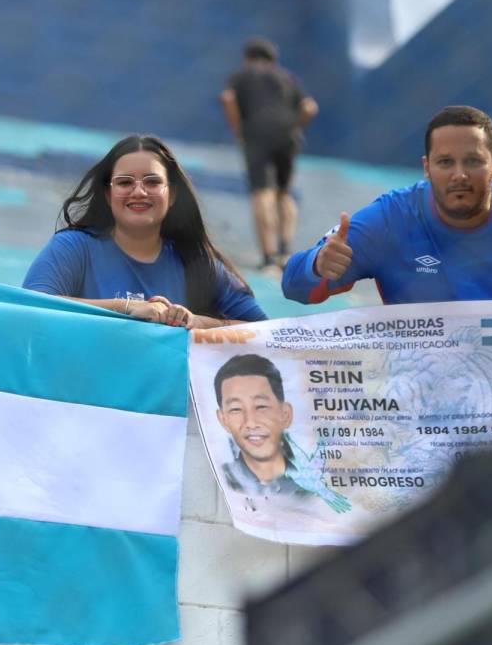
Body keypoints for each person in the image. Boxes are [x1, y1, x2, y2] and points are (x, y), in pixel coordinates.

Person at [282, 105, 492, 519]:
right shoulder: (390, 219)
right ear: (427, 167)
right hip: (432, 392)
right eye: (445, 162)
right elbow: (295, 284)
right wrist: (319, 266)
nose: (459, 174)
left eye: (473, 161)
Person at [23, 134, 267, 329]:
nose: (139, 192)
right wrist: (127, 308)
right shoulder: (74, 247)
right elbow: (29, 307)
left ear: (172, 195)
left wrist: (196, 322)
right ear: (108, 195)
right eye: (125, 182)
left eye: (152, 182)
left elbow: (264, 331)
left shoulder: (198, 263)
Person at [220, 37, 318, 274]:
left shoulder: (242, 76)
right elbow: (309, 107)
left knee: (262, 192)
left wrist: (238, 130)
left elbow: (228, 99)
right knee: (284, 192)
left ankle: (268, 256)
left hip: (256, 135)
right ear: (273, 60)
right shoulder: (287, 77)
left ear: (247, 58)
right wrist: (296, 128)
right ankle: (286, 249)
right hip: (287, 136)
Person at [213, 353, 310, 497]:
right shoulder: (221, 479)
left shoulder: (312, 487)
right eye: (236, 409)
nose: (251, 423)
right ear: (223, 420)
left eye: (261, 406)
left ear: (285, 414)